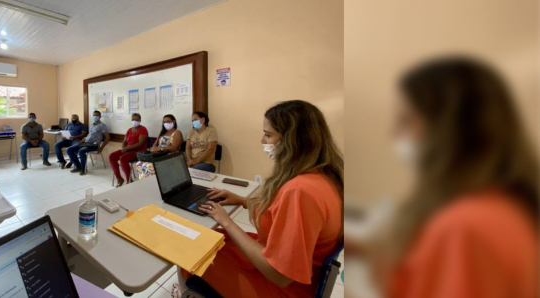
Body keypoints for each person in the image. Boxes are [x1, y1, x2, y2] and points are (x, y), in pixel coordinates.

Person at [367, 58, 537, 298]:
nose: (393, 133)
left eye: (406, 120)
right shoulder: (510, 208)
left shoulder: (464, 228)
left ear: (449, 127)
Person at [187, 100, 343, 298]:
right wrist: (243, 200)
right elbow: (282, 214)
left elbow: (279, 275)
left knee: (193, 251)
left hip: (281, 288)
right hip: (285, 265)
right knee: (211, 239)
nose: (262, 141)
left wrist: (226, 221)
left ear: (293, 140)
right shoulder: (324, 176)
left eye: (268, 135)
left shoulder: (300, 192)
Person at [134, 114, 184, 180]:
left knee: (151, 166)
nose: (166, 123)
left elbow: (174, 147)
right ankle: (145, 182)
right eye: (164, 122)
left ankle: (154, 183)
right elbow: (155, 144)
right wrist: (154, 149)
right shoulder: (162, 133)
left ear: (173, 122)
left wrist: (160, 148)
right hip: (159, 154)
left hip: (170, 155)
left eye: (168, 121)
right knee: (139, 163)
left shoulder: (177, 133)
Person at [109, 113, 148, 186]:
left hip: (138, 151)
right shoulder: (129, 130)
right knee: (112, 156)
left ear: (140, 120)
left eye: (136, 119)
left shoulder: (143, 129)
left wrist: (127, 148)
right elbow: (124, 141)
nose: (134, 121)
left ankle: (129, 180)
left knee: (123, 158)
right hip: (128, 150)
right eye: (133, 119)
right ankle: (119, 178)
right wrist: (123, 148)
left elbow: (140, 143)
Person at [66, 111, 110, 175]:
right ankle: (78, 167)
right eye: (94, 115)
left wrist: (101, 148)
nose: (95, 116)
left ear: (100, 116)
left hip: (94, 144)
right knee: (69, 150)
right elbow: (89, 135)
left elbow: (108, 138)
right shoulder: (92, 125)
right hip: (86, 143)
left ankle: (83, 169)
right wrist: (83, 139)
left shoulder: (102, 126)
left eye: (97, 115)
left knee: (81, 151)